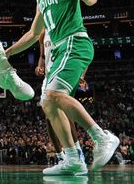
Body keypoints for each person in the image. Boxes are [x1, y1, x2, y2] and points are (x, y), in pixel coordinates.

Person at [6, 0, 119, 176]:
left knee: (54, 96)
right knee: (47, 103)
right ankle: (73, 159)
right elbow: (33, 33)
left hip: (73, 43)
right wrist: (7, 52)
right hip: (58, 51)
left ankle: (102, 137)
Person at [35, 29, 84, 168]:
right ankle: (60, 156)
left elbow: (80, 54)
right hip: (48, 77)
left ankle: (77, 153)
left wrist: (82, 74)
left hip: (63, 74)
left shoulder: (66, 28)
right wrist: (39, 66)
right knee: (49, 118)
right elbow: (42, 57)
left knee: (66, 113)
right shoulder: (43, 34)